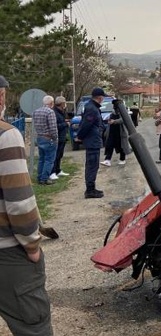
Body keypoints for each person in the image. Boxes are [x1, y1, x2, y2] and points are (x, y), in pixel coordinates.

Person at [0, 75, 54, 336]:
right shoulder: (7, 135)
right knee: (34, 327)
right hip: (7, 255)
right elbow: (19, 203)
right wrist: (32, 244)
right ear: (1, 97)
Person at [76, 87, 106, 199]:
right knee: (92, 165)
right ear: (99, 97)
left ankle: (91, 188)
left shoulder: (92, 107)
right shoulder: (92, 108)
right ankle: (89, 190)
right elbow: (86, 125)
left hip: (94, 140)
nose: (103, 98)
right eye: (103, 97)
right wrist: (80, 136)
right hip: (92, 141)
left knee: (93, 165)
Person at [33, 96, 58, 185]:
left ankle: (39, 177)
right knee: (49, 160)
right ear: (51, 103)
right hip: (48, 138)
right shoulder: (50, 112)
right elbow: (53, 128)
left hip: (40, 137)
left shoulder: (36, 112)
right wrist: (55, 138)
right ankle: (45, 178)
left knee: (41, 159)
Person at [52, 96, 70, 179]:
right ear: (61, 103)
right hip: (58, 137)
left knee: (60, 155)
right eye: (64, 103)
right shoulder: (54, 113)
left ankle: (58, 170)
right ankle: (53, 172)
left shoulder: (61, 112)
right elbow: (55, 126)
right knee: (56, 155)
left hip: (62, 136)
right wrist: (65, 124)